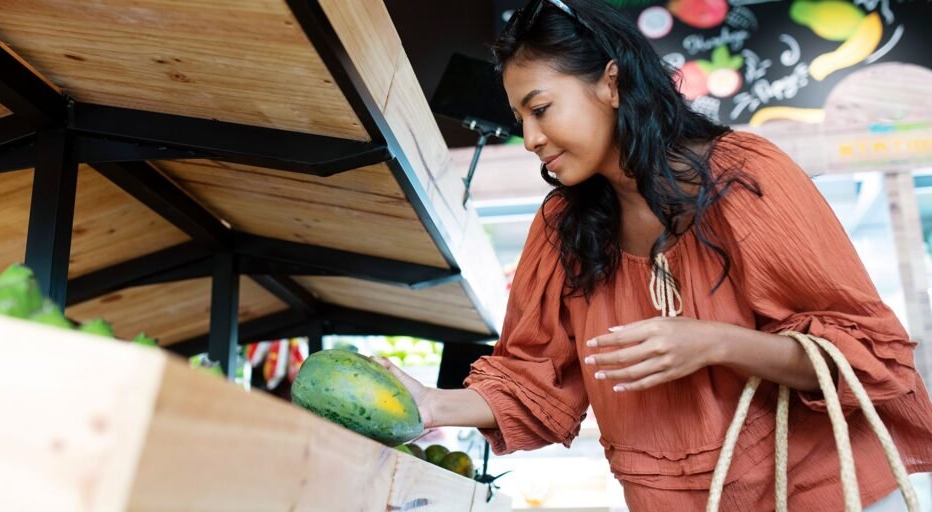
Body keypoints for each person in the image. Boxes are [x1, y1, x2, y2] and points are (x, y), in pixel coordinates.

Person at [376, 0, 932, 510]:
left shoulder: (745, 177)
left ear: (610, 83)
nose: (529, 138)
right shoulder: (560, 227)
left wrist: (716, 342)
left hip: (828, 493)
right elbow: (530, 382)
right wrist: (429, 404)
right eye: (520, 117)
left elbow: (869, 355)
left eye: (540, 108)